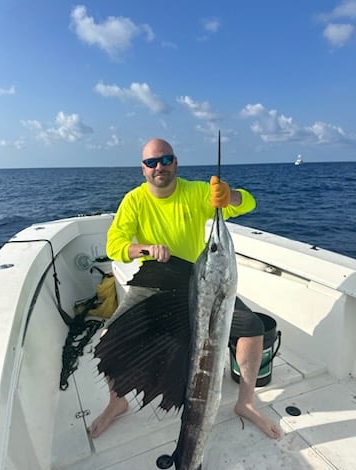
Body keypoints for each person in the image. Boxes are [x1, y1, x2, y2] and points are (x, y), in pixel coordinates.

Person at [90, 138, 281, 440]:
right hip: (155, 283)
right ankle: (118, 401)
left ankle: (246, 402)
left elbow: (248, 202)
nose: (159, 167)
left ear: (176, 163)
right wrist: (145, 249)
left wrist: (230, 196)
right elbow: (115, 246)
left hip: (198, 282)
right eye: (152, 163)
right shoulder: (134, 201)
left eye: (165, 160)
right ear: (143, 169)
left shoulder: (195, 192)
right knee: (109, 335)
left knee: (254, 329)